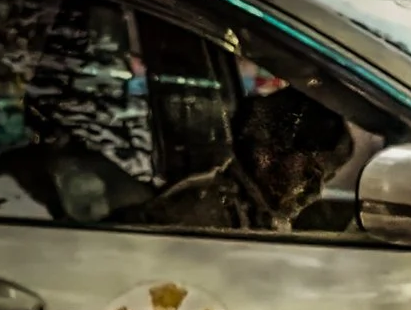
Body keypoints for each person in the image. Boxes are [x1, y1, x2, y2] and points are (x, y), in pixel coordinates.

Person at [120, 87, 355, 234]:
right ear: (268, 153)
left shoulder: (253, 212)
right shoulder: (202, 216)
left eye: (327, 178)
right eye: (309, 173)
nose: (316, 190)